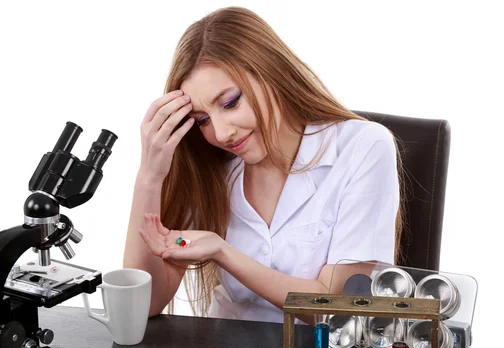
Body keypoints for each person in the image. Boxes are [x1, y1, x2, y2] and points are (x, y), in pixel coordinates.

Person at [123, 6, 402, 324]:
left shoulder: (362, 146)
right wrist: (149, 176)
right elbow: (142, 304)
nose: (222, 133)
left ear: (271, 71)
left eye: (230, 103)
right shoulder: (213, 167)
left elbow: (339, 310)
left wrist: (223, 253)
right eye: (202, 120)